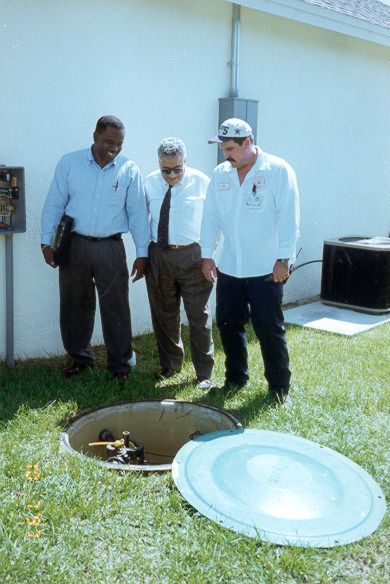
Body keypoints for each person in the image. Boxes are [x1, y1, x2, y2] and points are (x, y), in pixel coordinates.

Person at [41, 115, 150, 382]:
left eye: (119, 144)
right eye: (108, 142)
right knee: (74, 303)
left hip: (111, 248)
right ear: (95, 136)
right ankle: (80, 358)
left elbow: (137, 213)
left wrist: (142, 253)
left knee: (116, 306)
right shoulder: (70, 163)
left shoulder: (129, 170)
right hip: (74, 245)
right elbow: (54, 203)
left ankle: (120, 365)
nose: (113, 148)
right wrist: (46, 241)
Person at [200, 118, 300, 405]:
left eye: (230, 148)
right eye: (222, 148)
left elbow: (289, 219)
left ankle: (280, 387)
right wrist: (207, 255)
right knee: (229, 325)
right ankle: (235, 378)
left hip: (266, 269)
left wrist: (284, 258)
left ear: (248, 143)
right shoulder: (221, 174)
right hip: (230, 266)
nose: (225, 154)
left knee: (269, 328)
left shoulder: (278, 170)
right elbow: (211, 218)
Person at [144, 137, 214, 389]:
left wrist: (211, 256)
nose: (171, 175)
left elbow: (214, 222)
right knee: (164, 314)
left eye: (177, 169)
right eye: (166, 170)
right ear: (159, 163)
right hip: (160, 254)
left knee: (198, 315)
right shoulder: (150, 183)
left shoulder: (202, 182)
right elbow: (143, 221)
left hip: (193, 255)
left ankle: (204, 373)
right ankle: (170, 365)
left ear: (186, 161)